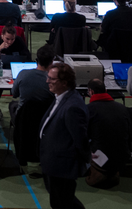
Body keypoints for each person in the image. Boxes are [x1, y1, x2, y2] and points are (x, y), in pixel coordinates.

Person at [39, 62, 90, 209]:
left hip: (62, 166)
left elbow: (80, 139)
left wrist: (86, 161)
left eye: (52, 79)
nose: (47, 81)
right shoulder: (61, 97)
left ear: (65, 82)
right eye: (48, 77)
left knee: (61, 202)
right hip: (53, 162)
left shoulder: (72, 106)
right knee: (60, 198)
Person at [84, 78, 132, 189]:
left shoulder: (88, 109)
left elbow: (83, 136)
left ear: (91, 92)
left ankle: (98, 170)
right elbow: (130, 135)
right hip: (123, 156)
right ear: (106, 90)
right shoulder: (122, 108)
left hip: (100, 156)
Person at [11, 44, 55, 118]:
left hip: (22, 118)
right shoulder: (53, 81)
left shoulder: (23, 74)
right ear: (51, 62)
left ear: (37, 59)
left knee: (12, 105)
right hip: (44, 118)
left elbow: (14, 94)